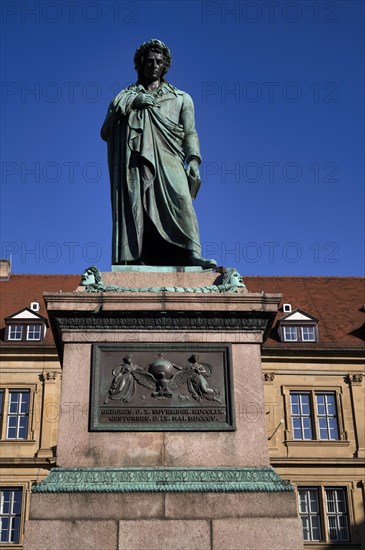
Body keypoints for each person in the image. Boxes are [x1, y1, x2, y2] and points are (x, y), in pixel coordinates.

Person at [101, 39, 216, 268]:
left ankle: (191, 253)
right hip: (136, 161)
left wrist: (193, 160)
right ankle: (138, 256)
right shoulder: (124, 97)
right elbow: (105, 131)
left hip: (170, 158)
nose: (154, 65)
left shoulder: (181, 98)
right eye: (150, 61)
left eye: (159, 62)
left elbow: (190, 133)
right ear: (141, 64)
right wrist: (133, 102)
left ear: (165, 66)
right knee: (139, 207)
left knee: (182, 200)